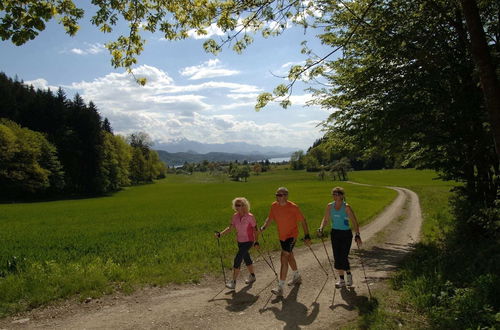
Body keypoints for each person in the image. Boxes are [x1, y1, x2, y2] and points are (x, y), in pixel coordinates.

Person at [260, 187, 311, 297]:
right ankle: (297, 277)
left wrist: (307, 235)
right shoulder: (274, 206)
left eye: (280, 195)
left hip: (292, 236)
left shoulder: (293, 207)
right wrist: (263, 227)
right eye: (277, 195)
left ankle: (280, 287)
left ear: (286, 196)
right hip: (282, 236)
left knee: (284, 257)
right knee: (290, 256)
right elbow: (269, 218)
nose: (278, 197)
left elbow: (303, 221)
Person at [318, 186, 362, 288]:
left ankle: (349, 276)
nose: (334, 196)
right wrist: (321, 228)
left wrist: (357, 234)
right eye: (333, 194)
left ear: (341, 195)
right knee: (337, 256)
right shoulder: (330, 206)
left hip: (346, 234)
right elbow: (325, 219)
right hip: (335, 233)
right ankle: (342, 280)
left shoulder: (346, 207)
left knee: (343, 256)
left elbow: (354, 222)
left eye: (336, 194)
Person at [215, 197, 259, 290]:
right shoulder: (235, 216)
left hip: (248, 241)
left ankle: (233, 282)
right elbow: (230, 228)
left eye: (238, 205)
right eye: (236, 205)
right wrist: (220, 234)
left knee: (237, 259)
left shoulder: (250, 216)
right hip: (240, 241)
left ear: (244, 206)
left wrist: (256, 241)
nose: (236, 207)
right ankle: (252, 276)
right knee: (246, 258)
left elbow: (255, 230)